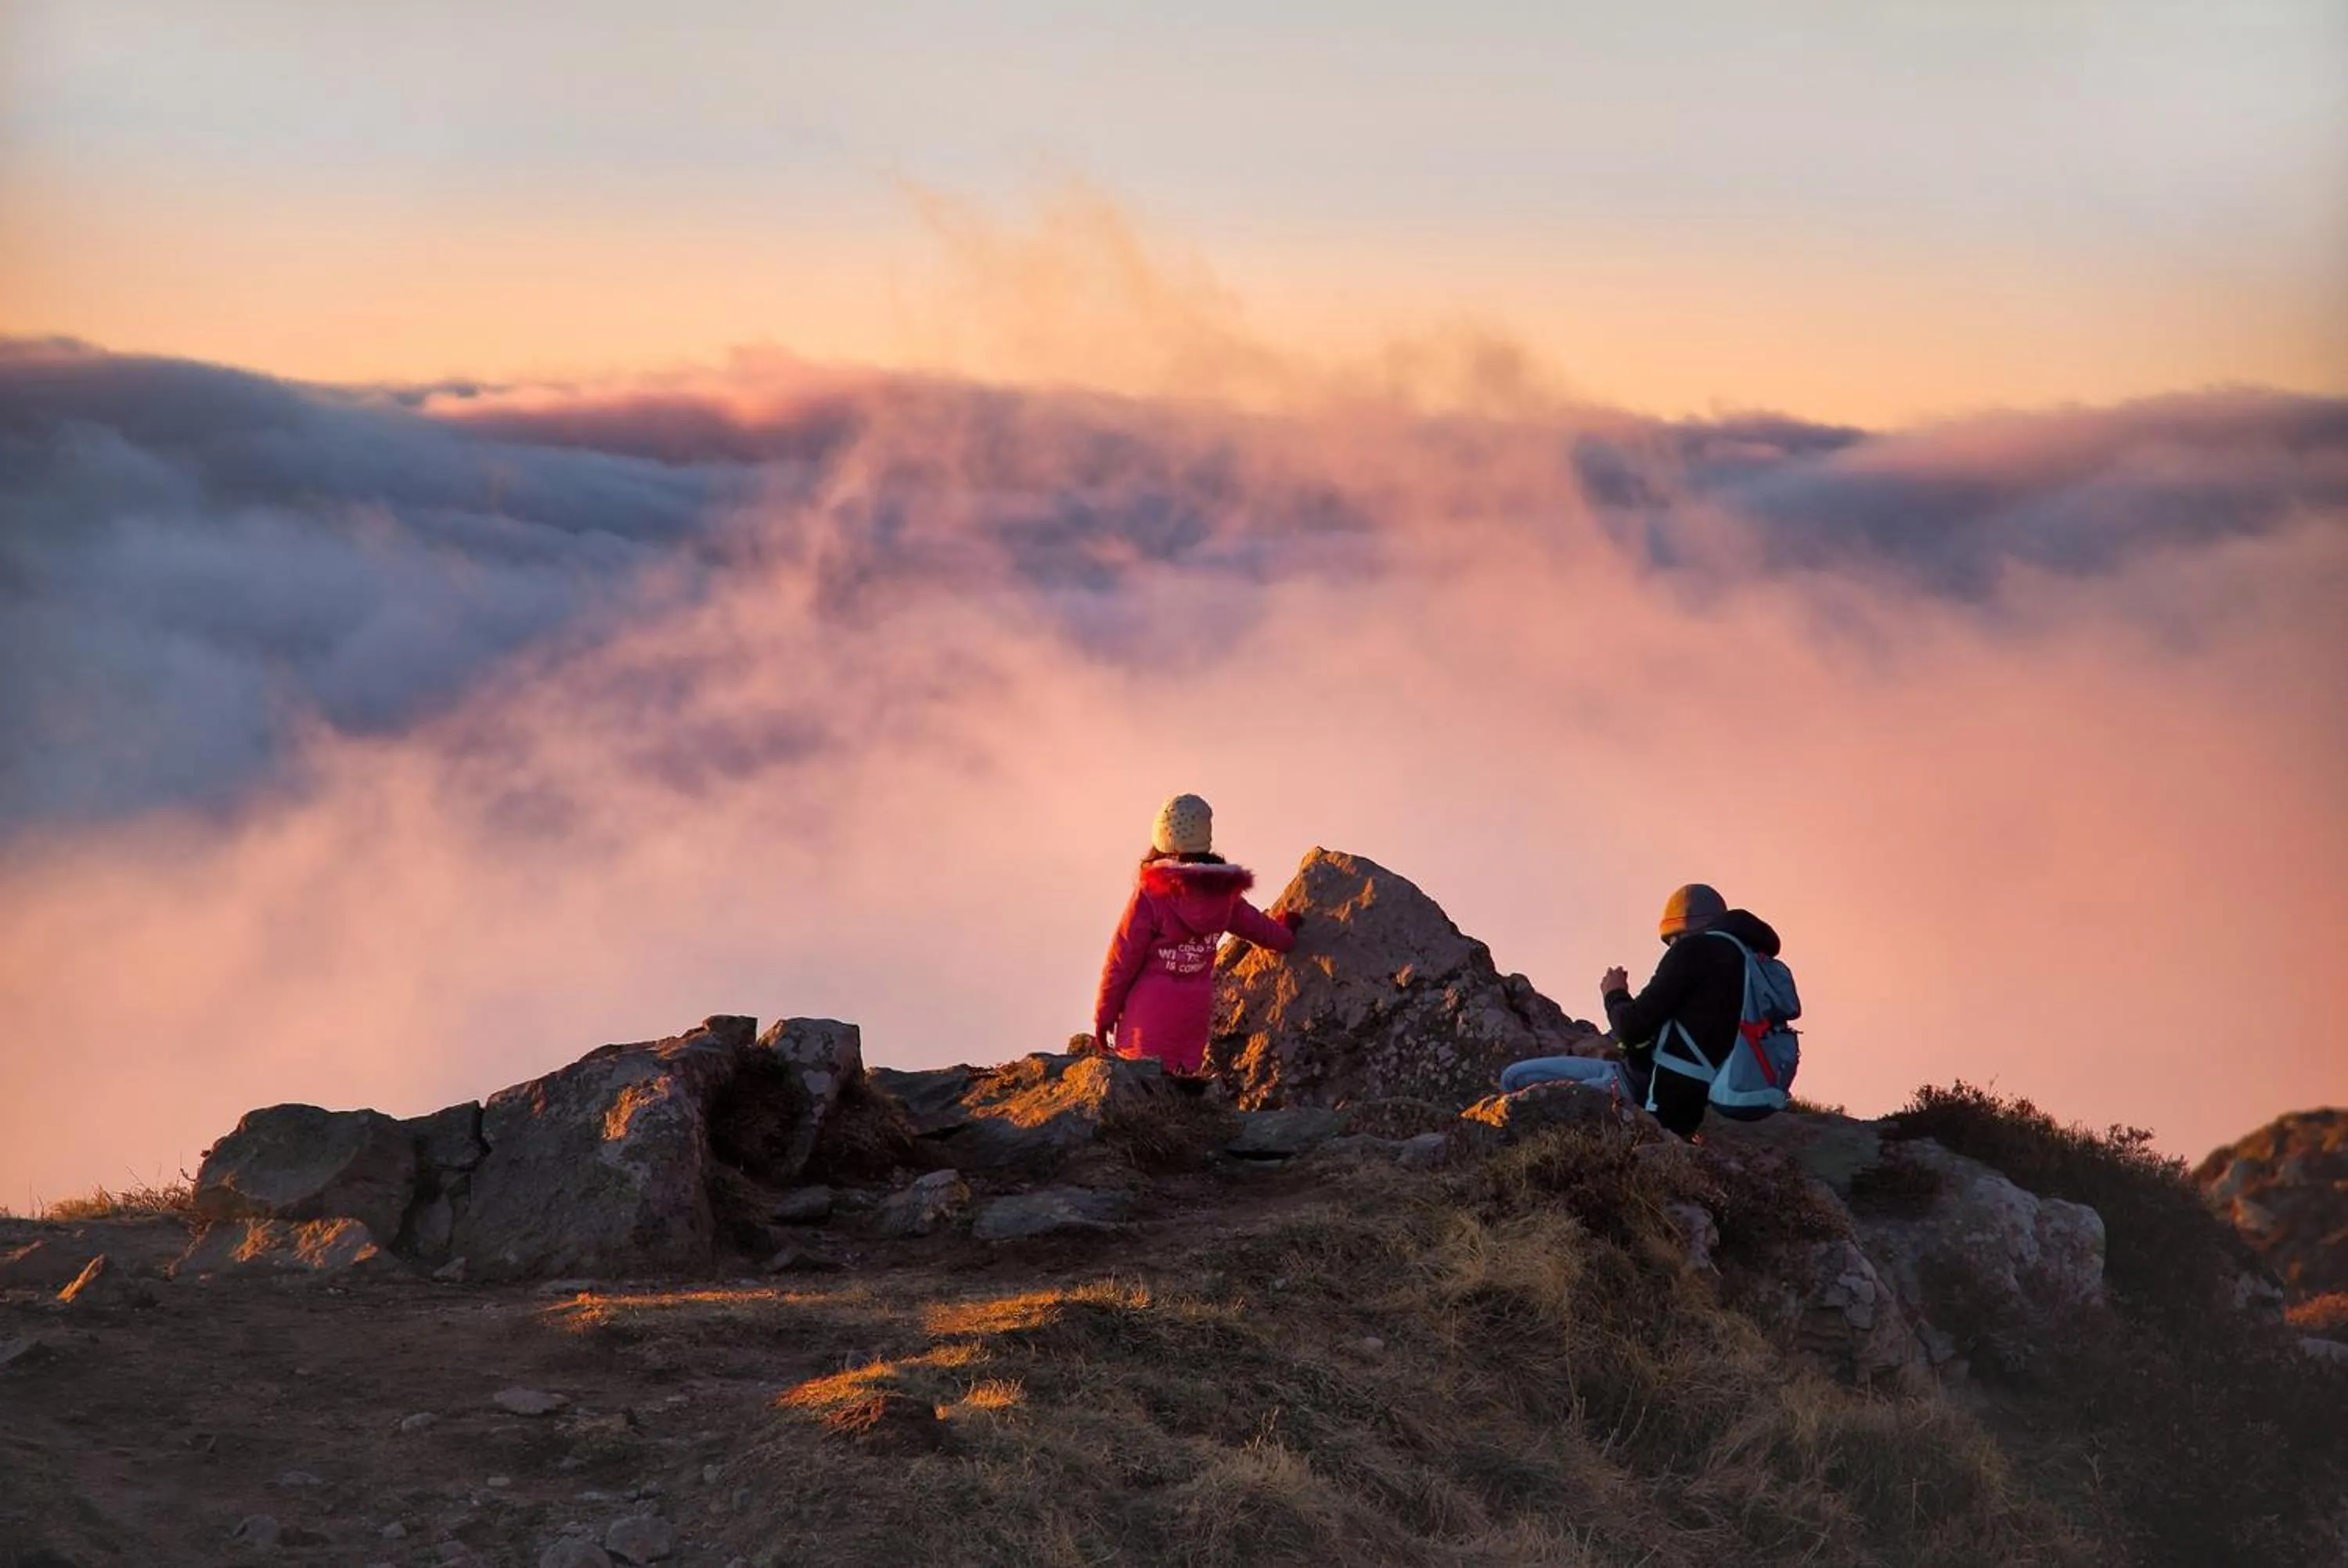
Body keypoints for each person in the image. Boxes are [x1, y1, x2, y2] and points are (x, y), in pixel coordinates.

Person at [1500, 883, 1784, 1138]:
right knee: (1518, 1079)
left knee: (1516, 1084)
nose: (1671, 947)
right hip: (1683, 1093)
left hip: (1646, 1092)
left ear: (1680, 930)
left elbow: (1632, 1027)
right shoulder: (1749, 962)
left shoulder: (1694, 952)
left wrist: (1614, 992)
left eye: (1671, 940)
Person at [1093, 793, 1300, 1079]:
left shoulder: (1152, 893)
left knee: (1141, 1096)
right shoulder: (1223, 893)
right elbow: (1269, 936)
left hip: (1147, 1017)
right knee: (1182, 1093)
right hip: (1192, 1015)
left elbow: (1122, 959)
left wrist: (1104, 1017)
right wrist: (1286, 929)